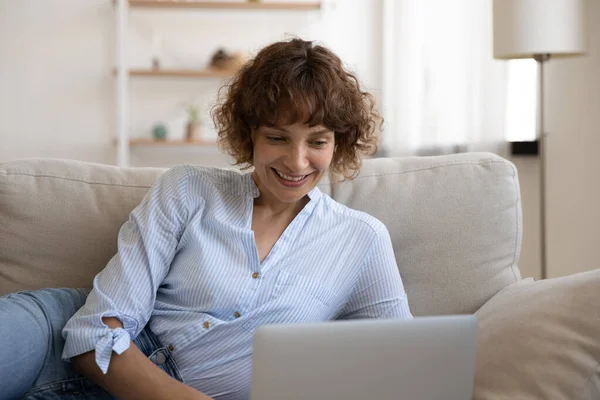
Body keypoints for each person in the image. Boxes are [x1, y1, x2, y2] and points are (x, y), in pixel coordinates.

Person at [0, 37, 412, 400]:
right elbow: (96, 334)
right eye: (277, 138)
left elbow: (405, 368)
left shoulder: (361, 240)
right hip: (53, 339)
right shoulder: (188, 190)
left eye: (317, 141)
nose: (297, 161)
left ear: (338, 142)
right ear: (249, 133)